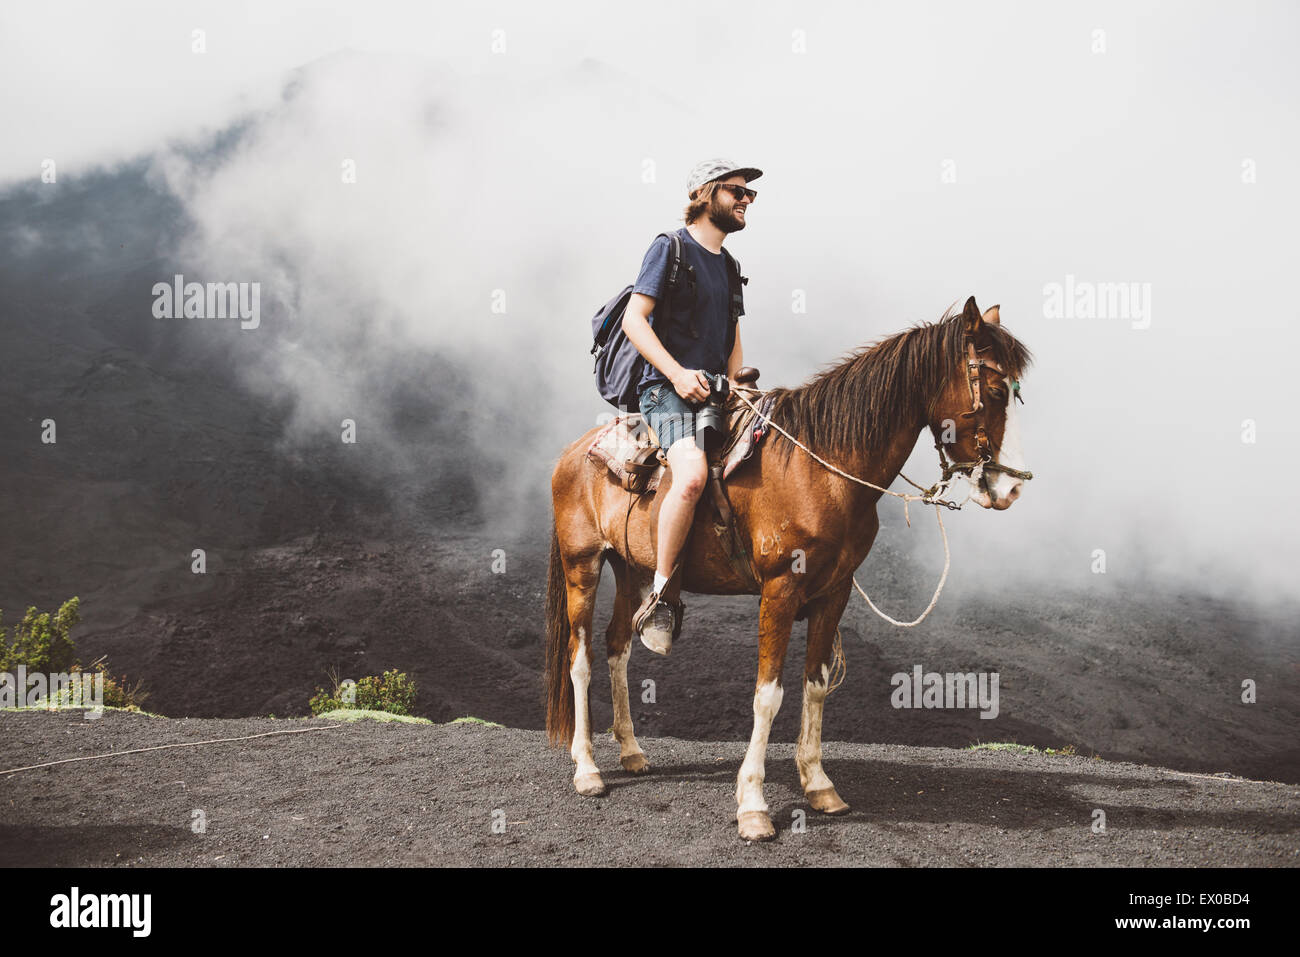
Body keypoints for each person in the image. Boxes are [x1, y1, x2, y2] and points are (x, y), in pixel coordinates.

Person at [621, 158, 761, 656]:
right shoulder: (670, 248)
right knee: (694, 475)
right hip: (664, 389)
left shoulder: (729, 266)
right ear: (706, 194)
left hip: (718, 391)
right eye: (736, 191)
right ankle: (660, 597)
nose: (746, 200)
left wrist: (738, 384)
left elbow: (732, 337)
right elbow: (635, 322)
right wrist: (678, 373)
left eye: (750, 195)